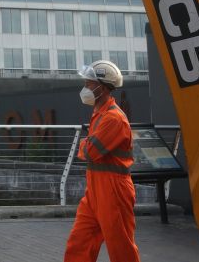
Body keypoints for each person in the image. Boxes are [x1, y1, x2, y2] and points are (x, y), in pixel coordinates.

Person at [64, 60, 140, 262]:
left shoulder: (113, 118)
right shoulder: (101, 113)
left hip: (114, 190)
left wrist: (84, 144)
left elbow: (90, 152)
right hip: (96, 190)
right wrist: (86, 143)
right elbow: (91, 148)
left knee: (121, 248)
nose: (85, 88)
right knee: (79, 243)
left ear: (103, 87)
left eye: (89, 84)